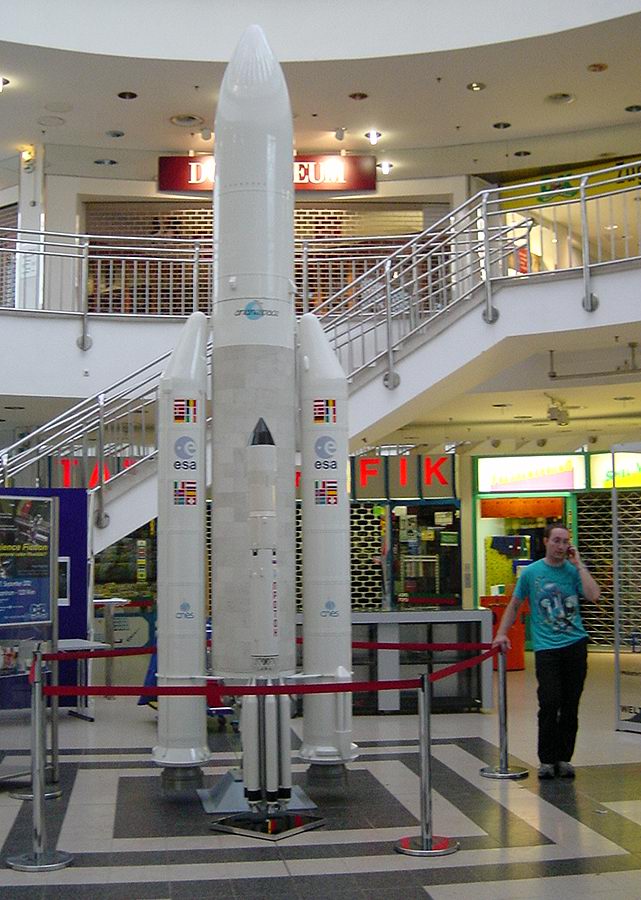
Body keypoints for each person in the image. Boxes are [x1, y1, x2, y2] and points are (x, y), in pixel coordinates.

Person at [492, 522, 600, 780]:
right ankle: (547, 759)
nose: (561, 546)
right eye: (556, 541)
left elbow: (593, 594)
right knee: (550, 701)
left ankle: (564, 758)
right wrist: (501, 632)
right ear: (546, 542)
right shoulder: (532, 573)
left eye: (565, 541)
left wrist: (579, 565)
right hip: (547, 649)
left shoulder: (572, 571)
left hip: (575, 645)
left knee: (570, 704)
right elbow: (515, 604)